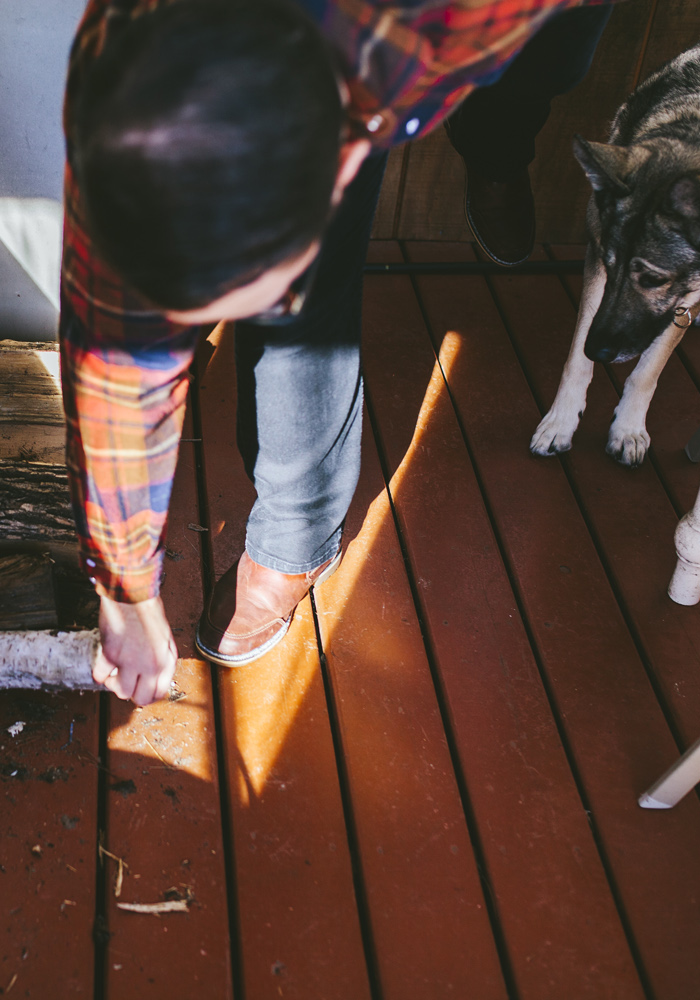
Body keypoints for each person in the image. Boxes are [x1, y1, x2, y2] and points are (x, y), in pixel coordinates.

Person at [60, 0, 614, 705]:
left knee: (554, 61)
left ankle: (501, 139)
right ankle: (297, 527)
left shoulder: (468, 20)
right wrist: (125, 592)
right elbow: (116, 364)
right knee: (298, 291)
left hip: (478, 29)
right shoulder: (117, 65)